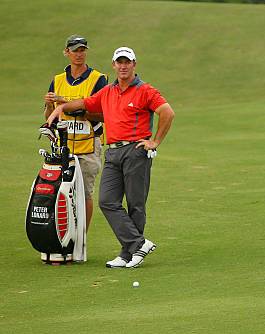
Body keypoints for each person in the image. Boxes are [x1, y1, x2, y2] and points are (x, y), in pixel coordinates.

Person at [47, 46, 175, 268]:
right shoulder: (108, 91)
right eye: (120, 62)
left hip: (136, 151)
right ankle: (138, 245)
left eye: (128, 62)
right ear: (114, 65)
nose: (123, 66)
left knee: (135, 204)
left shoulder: (145, 90)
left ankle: (128, 254)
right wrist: (63, 107)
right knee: (107, 201)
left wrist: (154, 142)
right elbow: (86, 103)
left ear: (134, 64)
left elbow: (167, 112)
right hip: (113, 151)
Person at [44, 34, 107, 232]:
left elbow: (104, 114)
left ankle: (81, 240)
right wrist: (49, 105)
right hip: (63, 147)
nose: (79, 54)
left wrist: (69, 106)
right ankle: (63, 234)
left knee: (85, 193)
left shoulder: (98, 79)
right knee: (61, 193)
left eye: (82, 50)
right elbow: (49, 117)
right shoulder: (57, 80)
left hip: (89, 145)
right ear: (66, 52)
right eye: (75, 50)